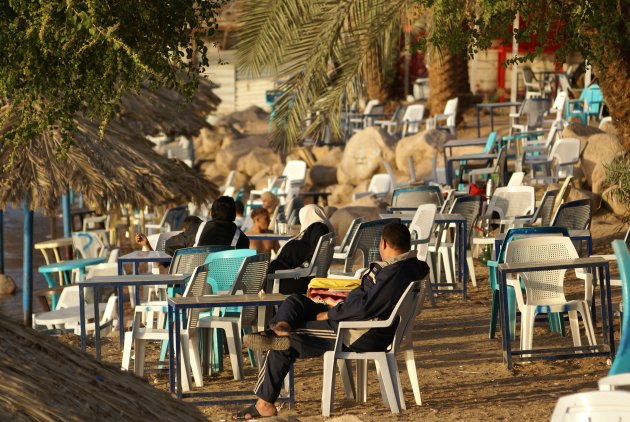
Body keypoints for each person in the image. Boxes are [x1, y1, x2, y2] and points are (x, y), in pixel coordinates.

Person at [233, 222, 429, 420]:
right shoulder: (410, 267)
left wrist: (331, 314)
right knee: (295, 301)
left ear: (384, 243)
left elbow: (365, 307)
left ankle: (264, 403)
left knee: (282, 343)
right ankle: (281, 326)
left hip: (356, 332)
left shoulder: (395, 272)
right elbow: (367, 303)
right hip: (356, 321)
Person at [267, 204, 333, 294]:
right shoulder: (319, 229)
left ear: (307, 215)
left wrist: (302, 267)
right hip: (304, 276)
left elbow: (313, 255)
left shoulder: (318, 228)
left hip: (303, 279)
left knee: (264, 282)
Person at [135, 215, 202, 256]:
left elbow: (159, 262)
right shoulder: (207, 241)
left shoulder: (178, 242)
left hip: (182, 277)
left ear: (183, 230)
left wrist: (147, 245)